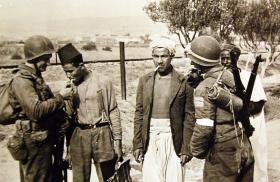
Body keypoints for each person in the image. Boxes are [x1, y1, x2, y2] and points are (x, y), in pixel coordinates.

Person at [188, 36, 254, 181]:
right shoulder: (230, 76)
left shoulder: (204, 87)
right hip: (242, 142)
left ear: (196, 61)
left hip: (223, 150)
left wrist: (196, 150)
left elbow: (204, 126)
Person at [57, 43, 123, 182]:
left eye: (70, 71)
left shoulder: (103, 81)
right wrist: (68, 149)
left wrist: (118, 143)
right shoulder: (69, 87)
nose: (68, 75)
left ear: (81, 65)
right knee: (79, 178)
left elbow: (113, 111)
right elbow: (68, 120)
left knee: (108, 177)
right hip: (79, 136)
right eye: (65, 72)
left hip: (102, 133)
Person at [133, 37, 195, 182]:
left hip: (174, 138)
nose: (159, 61)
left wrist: (186, 147)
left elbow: (189, 116)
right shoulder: (145, 80)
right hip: (150, 136)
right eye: (155, 56)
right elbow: (139, 113)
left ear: (171, 56)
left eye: (164, 56)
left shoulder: (183, 81)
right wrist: (137, 145)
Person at [9, 35, 69, 182]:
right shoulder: (22, 80)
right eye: (46, 58)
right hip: (34, 142)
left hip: (42, 138)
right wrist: (60, 97)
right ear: (35, 58)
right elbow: (36, 111)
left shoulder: (34, 77)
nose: (48, 63)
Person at [220, 45, 268, 182]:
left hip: (251, 126)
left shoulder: (249, 76)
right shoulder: (219, 79)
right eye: (222, 59)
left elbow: (258, 105)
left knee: (255, 163)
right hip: (230, 130)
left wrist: (240, 106)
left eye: (228, 59)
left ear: (236, 58)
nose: (225, 62)